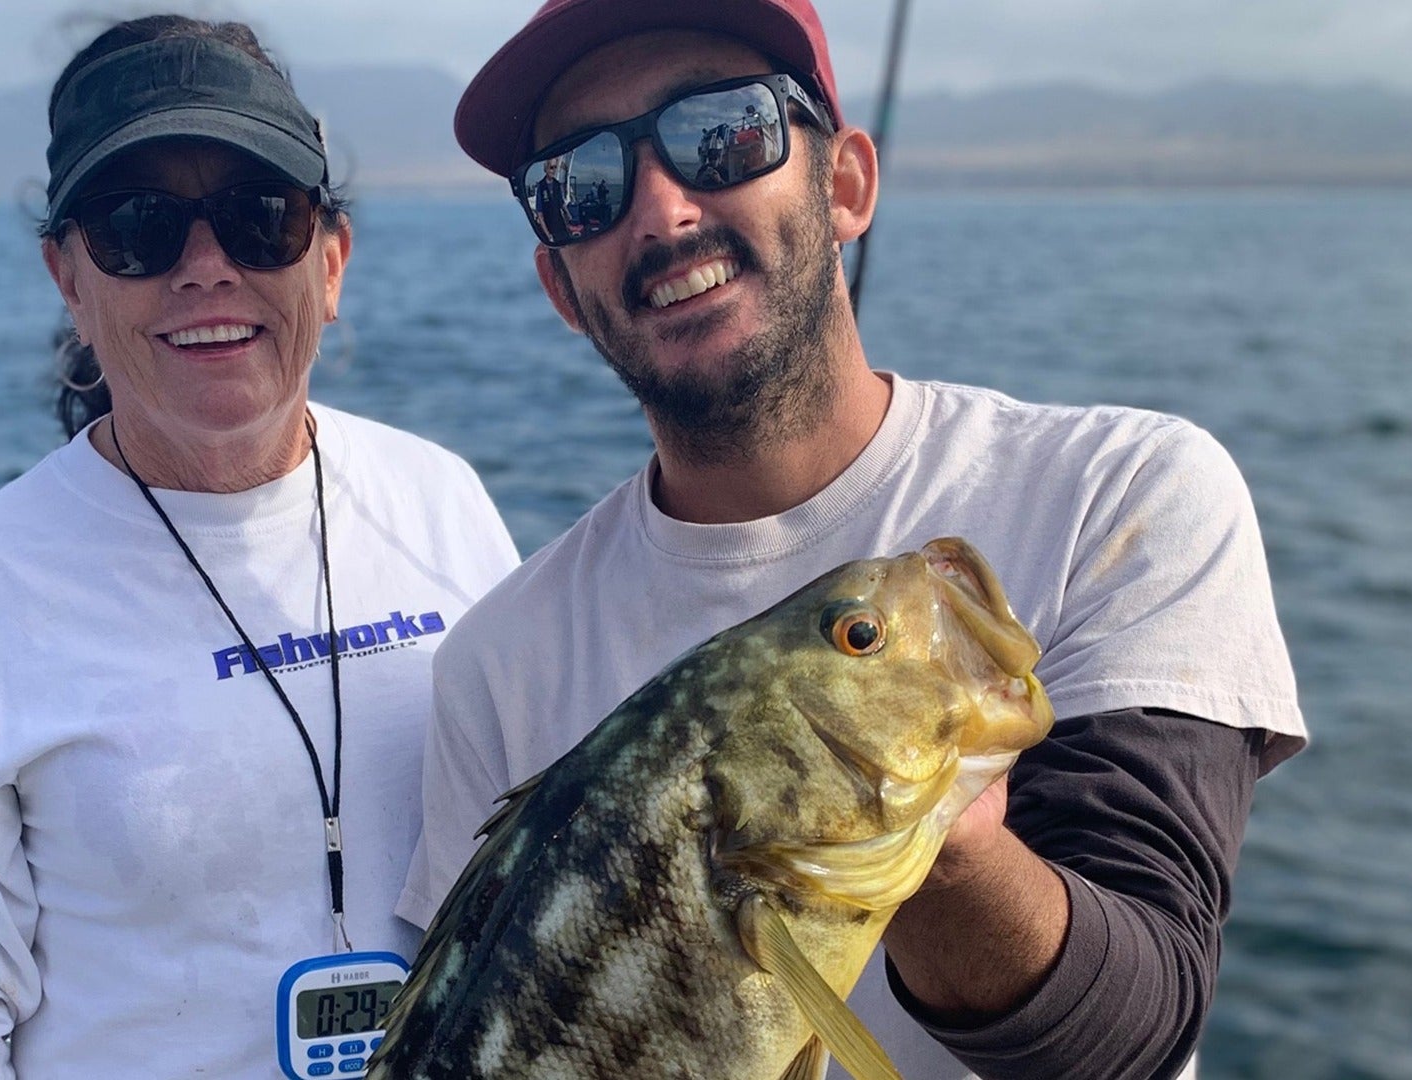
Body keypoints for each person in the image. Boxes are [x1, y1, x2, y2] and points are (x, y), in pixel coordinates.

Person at [396, 1, 1308, 1078]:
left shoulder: (1121, 496)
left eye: (721, 131)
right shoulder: (499, 660)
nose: (663, 210)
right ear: (560, 283)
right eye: (580, 184)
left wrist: (945, 851)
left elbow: (1139, 1024)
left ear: (845, 186)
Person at [0, 15, 518, 1079]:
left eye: (259, 219)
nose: (205, 269)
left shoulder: (442, 499)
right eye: (140, 228)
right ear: (70, 278)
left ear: (329, 261)